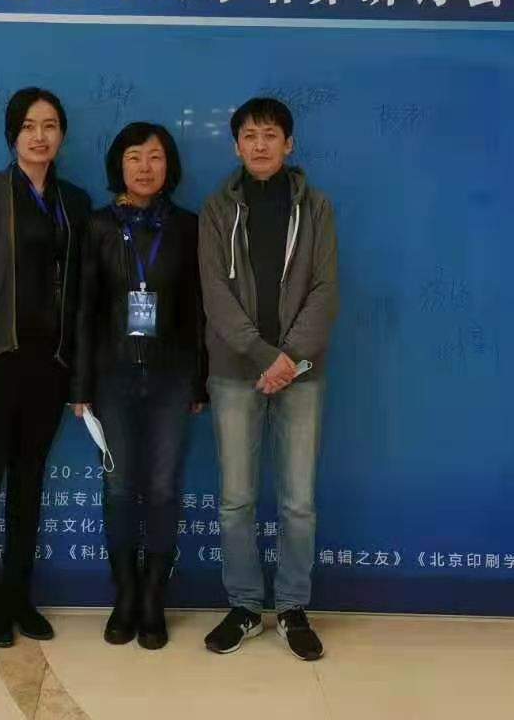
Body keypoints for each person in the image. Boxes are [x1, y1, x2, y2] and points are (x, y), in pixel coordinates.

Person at [0, 87, 91, 648]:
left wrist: (77, 366)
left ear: (62, 135)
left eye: (50, 125)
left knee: (30, 482)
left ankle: (19, 595)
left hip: (49, 363)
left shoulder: (74, 202)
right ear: (12, 134)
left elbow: (82, 291)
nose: (39, 135)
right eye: (28, 125)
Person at [198, 96, 340, 661]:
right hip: (235, 372)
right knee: (236, 499)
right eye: (250, 136)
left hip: (301, 374)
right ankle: (244, 607)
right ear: (236, 145)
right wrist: (262, 355)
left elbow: (325, 290)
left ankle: (293, 607)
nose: (260, 144)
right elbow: (214, 292)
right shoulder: (216, 209)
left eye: (271, 135)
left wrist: (289, 358)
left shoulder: (316, 207)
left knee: (298, 500)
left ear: (289, 144)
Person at [70, 122, 206, 651]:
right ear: (118, 166)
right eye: (134, 157)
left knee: (165, 488)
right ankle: (124, 595)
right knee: (121, 487)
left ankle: (154, 599)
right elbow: (84, 309)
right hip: (113, 376)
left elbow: (198, 311)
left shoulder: (189, 226)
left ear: (169, 165)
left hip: (173, 377)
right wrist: (80, 384)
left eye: (155, 157)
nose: (145, 167)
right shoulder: (98, 225)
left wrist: (199, 380)